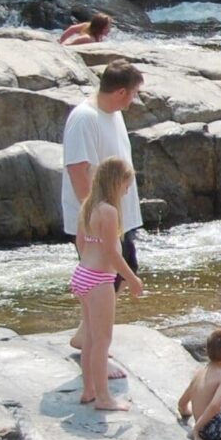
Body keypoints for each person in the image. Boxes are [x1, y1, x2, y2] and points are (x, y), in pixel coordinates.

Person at [63, 61, 146, 379]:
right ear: (121, 91)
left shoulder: (114, 113)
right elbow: (78, 170)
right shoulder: (84, 118)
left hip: (116, 216)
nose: (133, 100)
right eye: (133, 94)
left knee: (123, 273)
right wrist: (94, 219)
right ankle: (94, 347)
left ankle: (87, 335)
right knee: (101, 283)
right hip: (97, 219)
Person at [71, 157, 144, 410]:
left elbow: (81, 244)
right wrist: (132, 280)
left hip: (82, 274)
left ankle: (89, 389)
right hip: (99, 280)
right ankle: (104, 398)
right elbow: (114, 253)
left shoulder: (88, 207)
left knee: (90, 337)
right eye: (126, 184)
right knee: (103, 341)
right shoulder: (109, 212)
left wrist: (90, 264)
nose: (127, 190)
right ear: (116, 182)